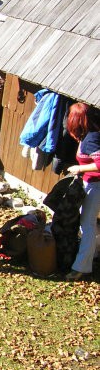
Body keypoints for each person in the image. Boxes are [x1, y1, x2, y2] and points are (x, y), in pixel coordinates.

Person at [64, 103, 100, 281]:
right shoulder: (87, 135)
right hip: (89, 184)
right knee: (87, 223)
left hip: (96, 185)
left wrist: (80, 168)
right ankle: (90, 254)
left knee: (87, 225)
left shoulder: (92, 138)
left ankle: (81, 268)